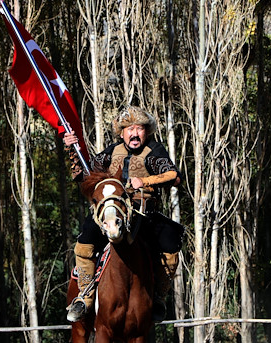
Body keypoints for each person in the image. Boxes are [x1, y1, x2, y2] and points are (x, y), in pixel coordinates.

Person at [64, 106, 184, 323]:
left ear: (146, 132)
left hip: (144, 212)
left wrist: (145, 181)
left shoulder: (154, 151)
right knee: (85, 240)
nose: (135, 133)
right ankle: (86, 296)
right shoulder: (111, 152)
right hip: (113, 212)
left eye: (139, 128)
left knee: (171, 240)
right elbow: (87, 175)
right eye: (129, 129)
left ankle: (157, 296)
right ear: (121, 133)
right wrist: (73, 150)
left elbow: (173, 175)